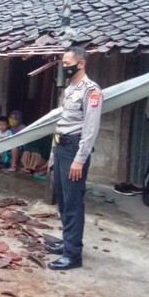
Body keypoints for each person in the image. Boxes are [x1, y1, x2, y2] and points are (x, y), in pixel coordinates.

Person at [47, 47, 103, 271]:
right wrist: (53, 155)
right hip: (62, 148)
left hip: (74, 152)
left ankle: (72, 255)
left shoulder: (92, 90)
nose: (64, 66)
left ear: (80, 64)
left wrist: (80, 159)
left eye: (67, 62)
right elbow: (61, 123)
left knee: (72, 204)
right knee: (62, 200)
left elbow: (90, 128)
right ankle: (68, 243)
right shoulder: (70, 89)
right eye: (63, 62)